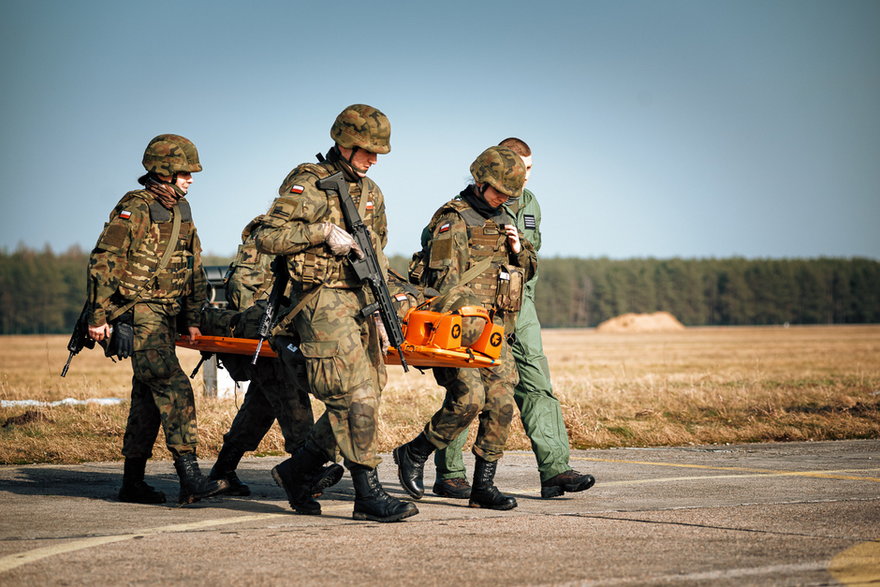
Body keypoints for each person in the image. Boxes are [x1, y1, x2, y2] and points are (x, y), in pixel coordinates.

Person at [252, 104, 418, 523]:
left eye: (378, 151)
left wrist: (383, 312)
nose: (373, 159)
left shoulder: (372, 193)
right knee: (354, 396)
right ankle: (368, 494)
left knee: (372, 389)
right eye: (366, 149)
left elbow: (377, 253)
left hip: (361, 303)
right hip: (320, 301)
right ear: (343, 142)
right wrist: (321, 232)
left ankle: (297, 471)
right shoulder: (309, 181)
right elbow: (265, 235)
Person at [432, 138, 596, 499]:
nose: (526, 176)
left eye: (530, 169)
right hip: (481, 311)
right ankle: (450, 473)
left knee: (536, 385)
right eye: (521, 168)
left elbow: (532, 256)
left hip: (523, 308)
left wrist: (521, 250)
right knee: (469, 389)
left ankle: (555, 469)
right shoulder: (463, 211)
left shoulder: (529, 202)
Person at [393, 146, 536, 510]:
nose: (503, 198)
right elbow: (445, 284)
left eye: (509, 193)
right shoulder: (453, 219)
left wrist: (519, 249)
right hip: (456, 329)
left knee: (502, 403)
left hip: (493, 329)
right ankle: (414, 452)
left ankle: (482, 488)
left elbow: (529, 268)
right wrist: (468, 324)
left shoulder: (505, 217)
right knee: (469, 399)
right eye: (498, 190)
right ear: (479, 181)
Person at [87, 134, 227, 505]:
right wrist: (98, 314)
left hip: (167, 314)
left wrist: (193, 316)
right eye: (184, 172)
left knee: (147, 397)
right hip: (140, 311)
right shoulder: (136, 206)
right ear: (164, 171)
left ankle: (132, 483)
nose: (191, 179)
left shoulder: (182, 210)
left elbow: (194, 265)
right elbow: (105, 259)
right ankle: (191, 477)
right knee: (172, 385)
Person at [207, 216, 344, 497]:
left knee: (259, 409)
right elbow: (243, 292)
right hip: (265, 339)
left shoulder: (305, 237)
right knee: (291, 399)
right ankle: (303, 471)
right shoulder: (268, 237)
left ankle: (223, 471)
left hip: (282, 338)